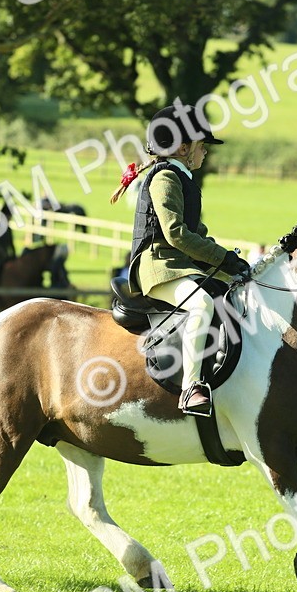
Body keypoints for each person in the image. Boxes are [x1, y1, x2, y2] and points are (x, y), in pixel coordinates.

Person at [116, 104, 249, 415]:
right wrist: (223, 260)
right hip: (158, 266)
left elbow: (197, 234)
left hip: (178, 266)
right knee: (202, 304)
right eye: (202, 146)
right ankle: (191, 387)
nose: (205, 153)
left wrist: (233, 264)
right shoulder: (165, 178)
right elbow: (176, 233)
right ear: (182, 147)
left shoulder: (184, 178)